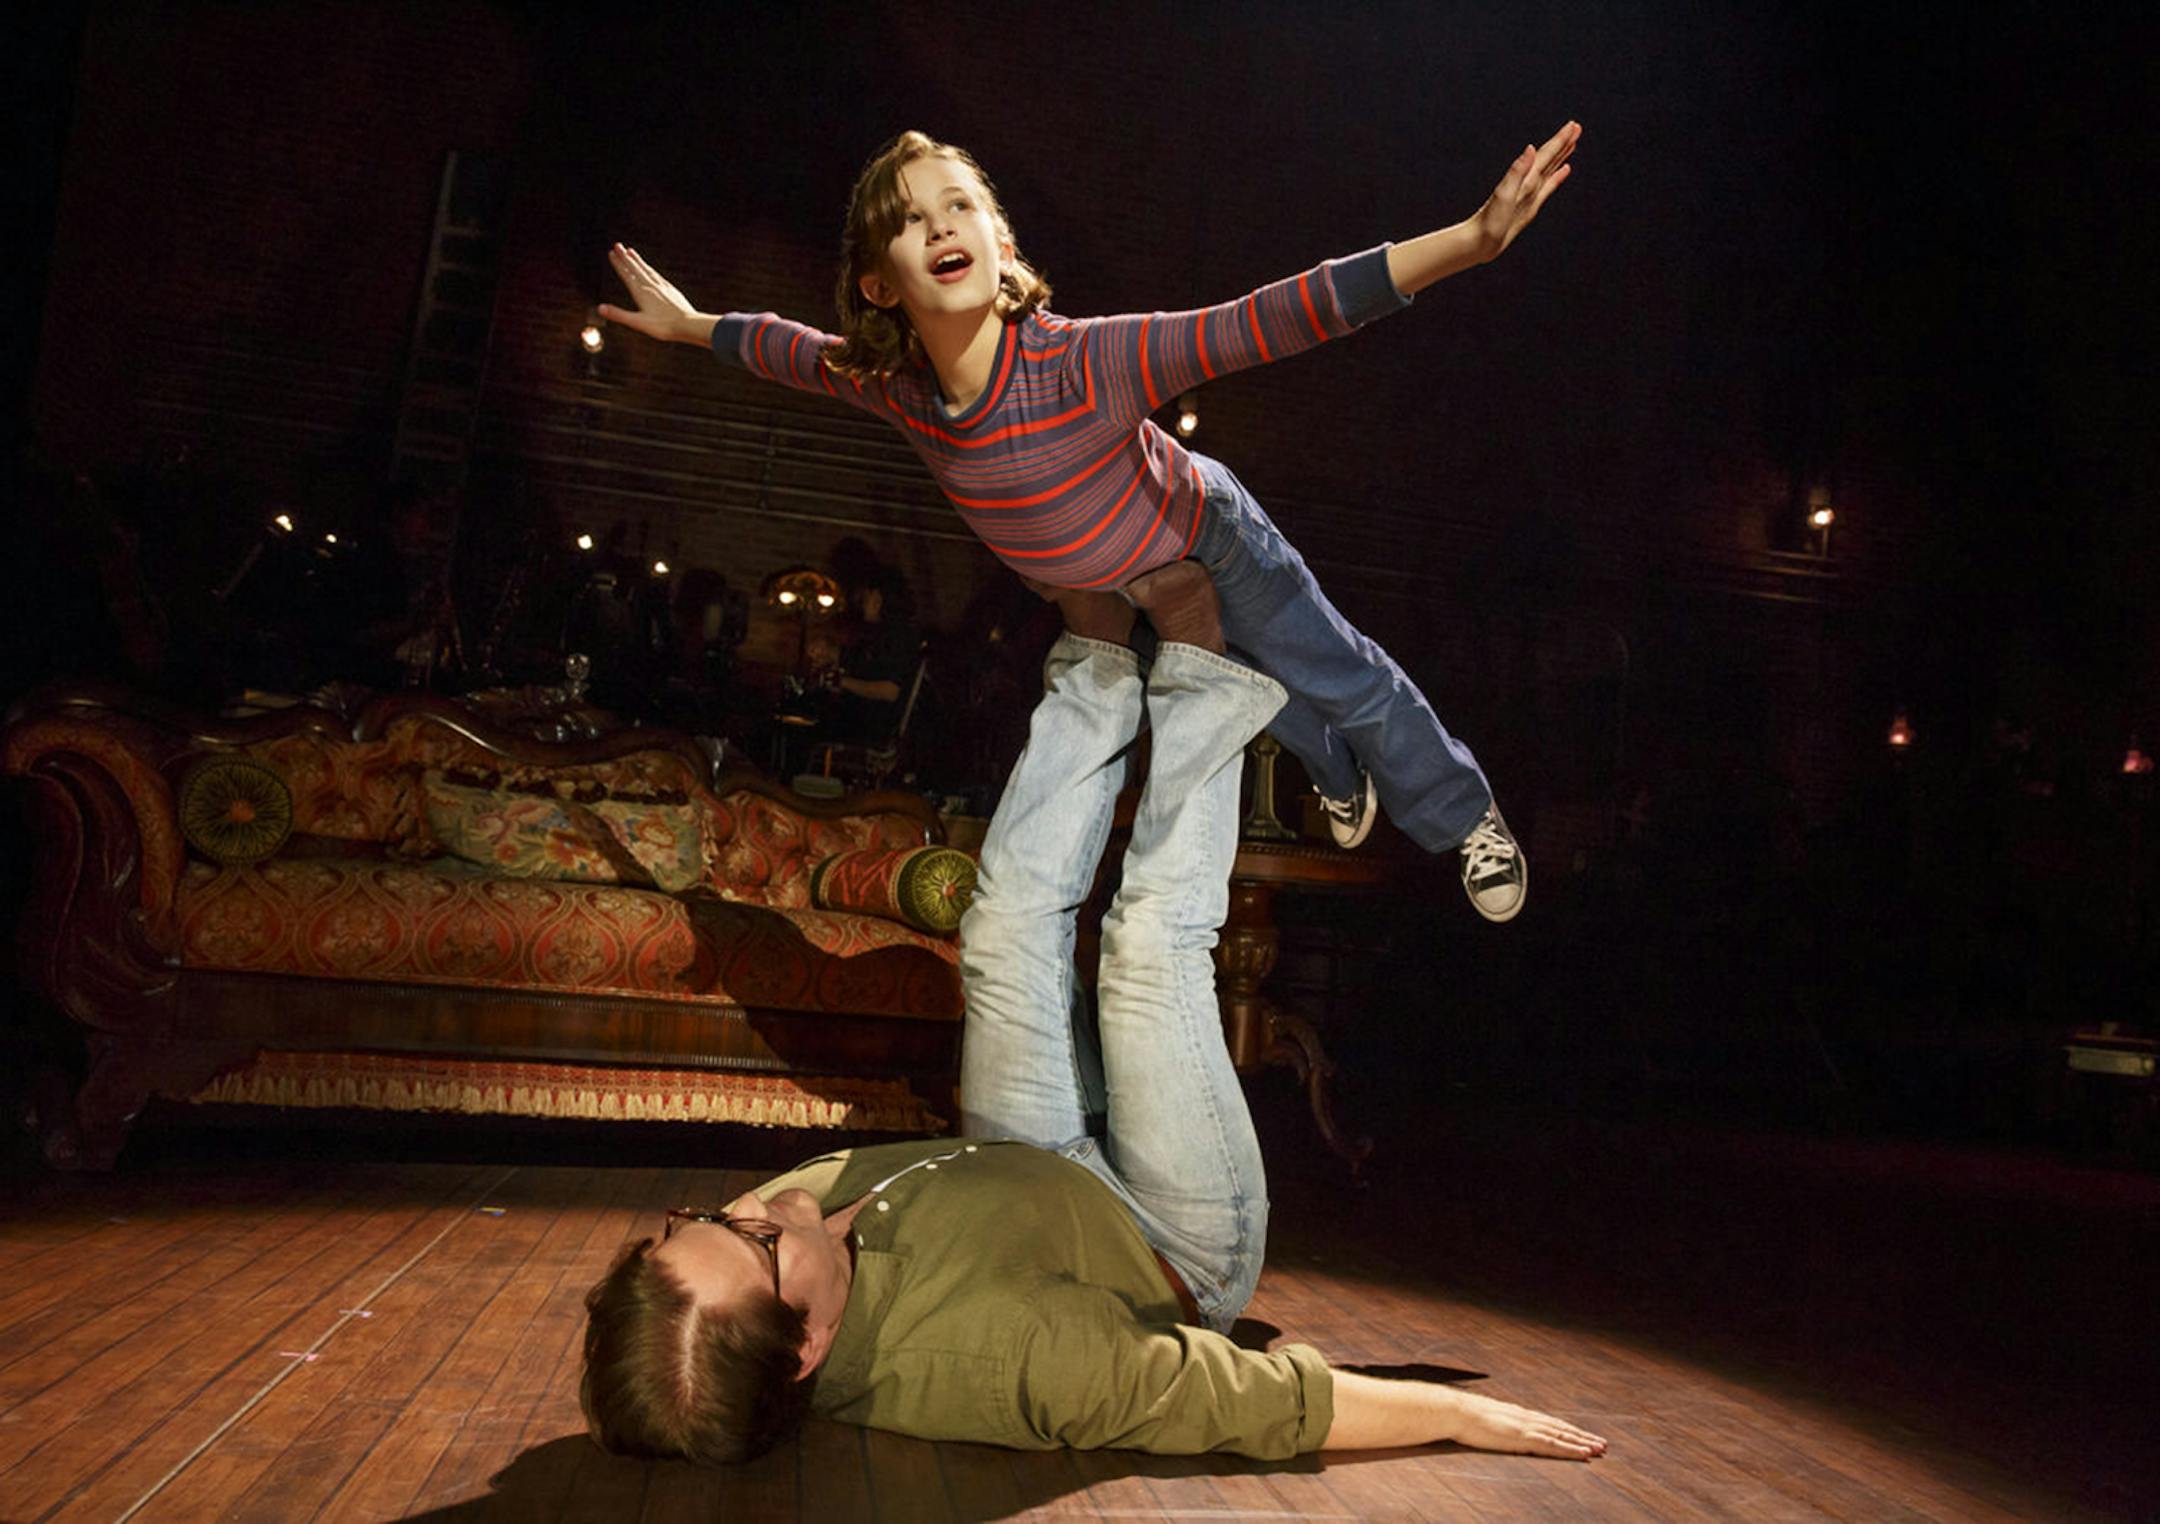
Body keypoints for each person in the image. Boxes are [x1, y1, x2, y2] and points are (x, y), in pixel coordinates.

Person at [580, 568, 1608, 1466]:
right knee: (1147, 955)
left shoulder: (758, 1255)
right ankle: (1200, 653)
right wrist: (1454, 1418)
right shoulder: (1009, 1360)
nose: (759, 1207)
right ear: (804, 1349)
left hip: (1021, 1168)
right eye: (752, 1242)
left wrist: (740, 1241)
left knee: (1001, 931)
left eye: (703, 1219)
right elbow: (1237, 1405)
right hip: (1168, 1237)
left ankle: (1098, 652)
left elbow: (747, 1245)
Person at [598, 121, 1586, 923]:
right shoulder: (896, 389)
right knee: (1263, 693)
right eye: (910, 221)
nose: (941, 225)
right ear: (878, 282)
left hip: (1205, 535)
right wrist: (689, 326)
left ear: (999, 242)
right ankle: (1338, 777)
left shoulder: (1085, 362)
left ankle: (1464, 817)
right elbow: (791, 350)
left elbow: (1269, 317)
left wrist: (1470, 242)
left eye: (961, 205)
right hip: (1112, 583)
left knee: (1329, 669)